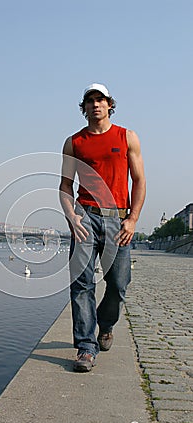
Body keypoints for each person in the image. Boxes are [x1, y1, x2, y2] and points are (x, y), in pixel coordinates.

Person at [59, 83, 146, 372]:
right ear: (83, 108)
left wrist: (132, 219)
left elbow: (139, 180)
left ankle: (105, 324)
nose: (95, 104)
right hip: (85, 216)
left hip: (117, 219)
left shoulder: (127, 136)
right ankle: (86, 347)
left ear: (110, 104)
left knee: (119, 283)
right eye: (89, 100)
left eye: (101, 100)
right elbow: (65, 186)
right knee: (81, 284)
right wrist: (72, 216)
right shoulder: (74, 142)